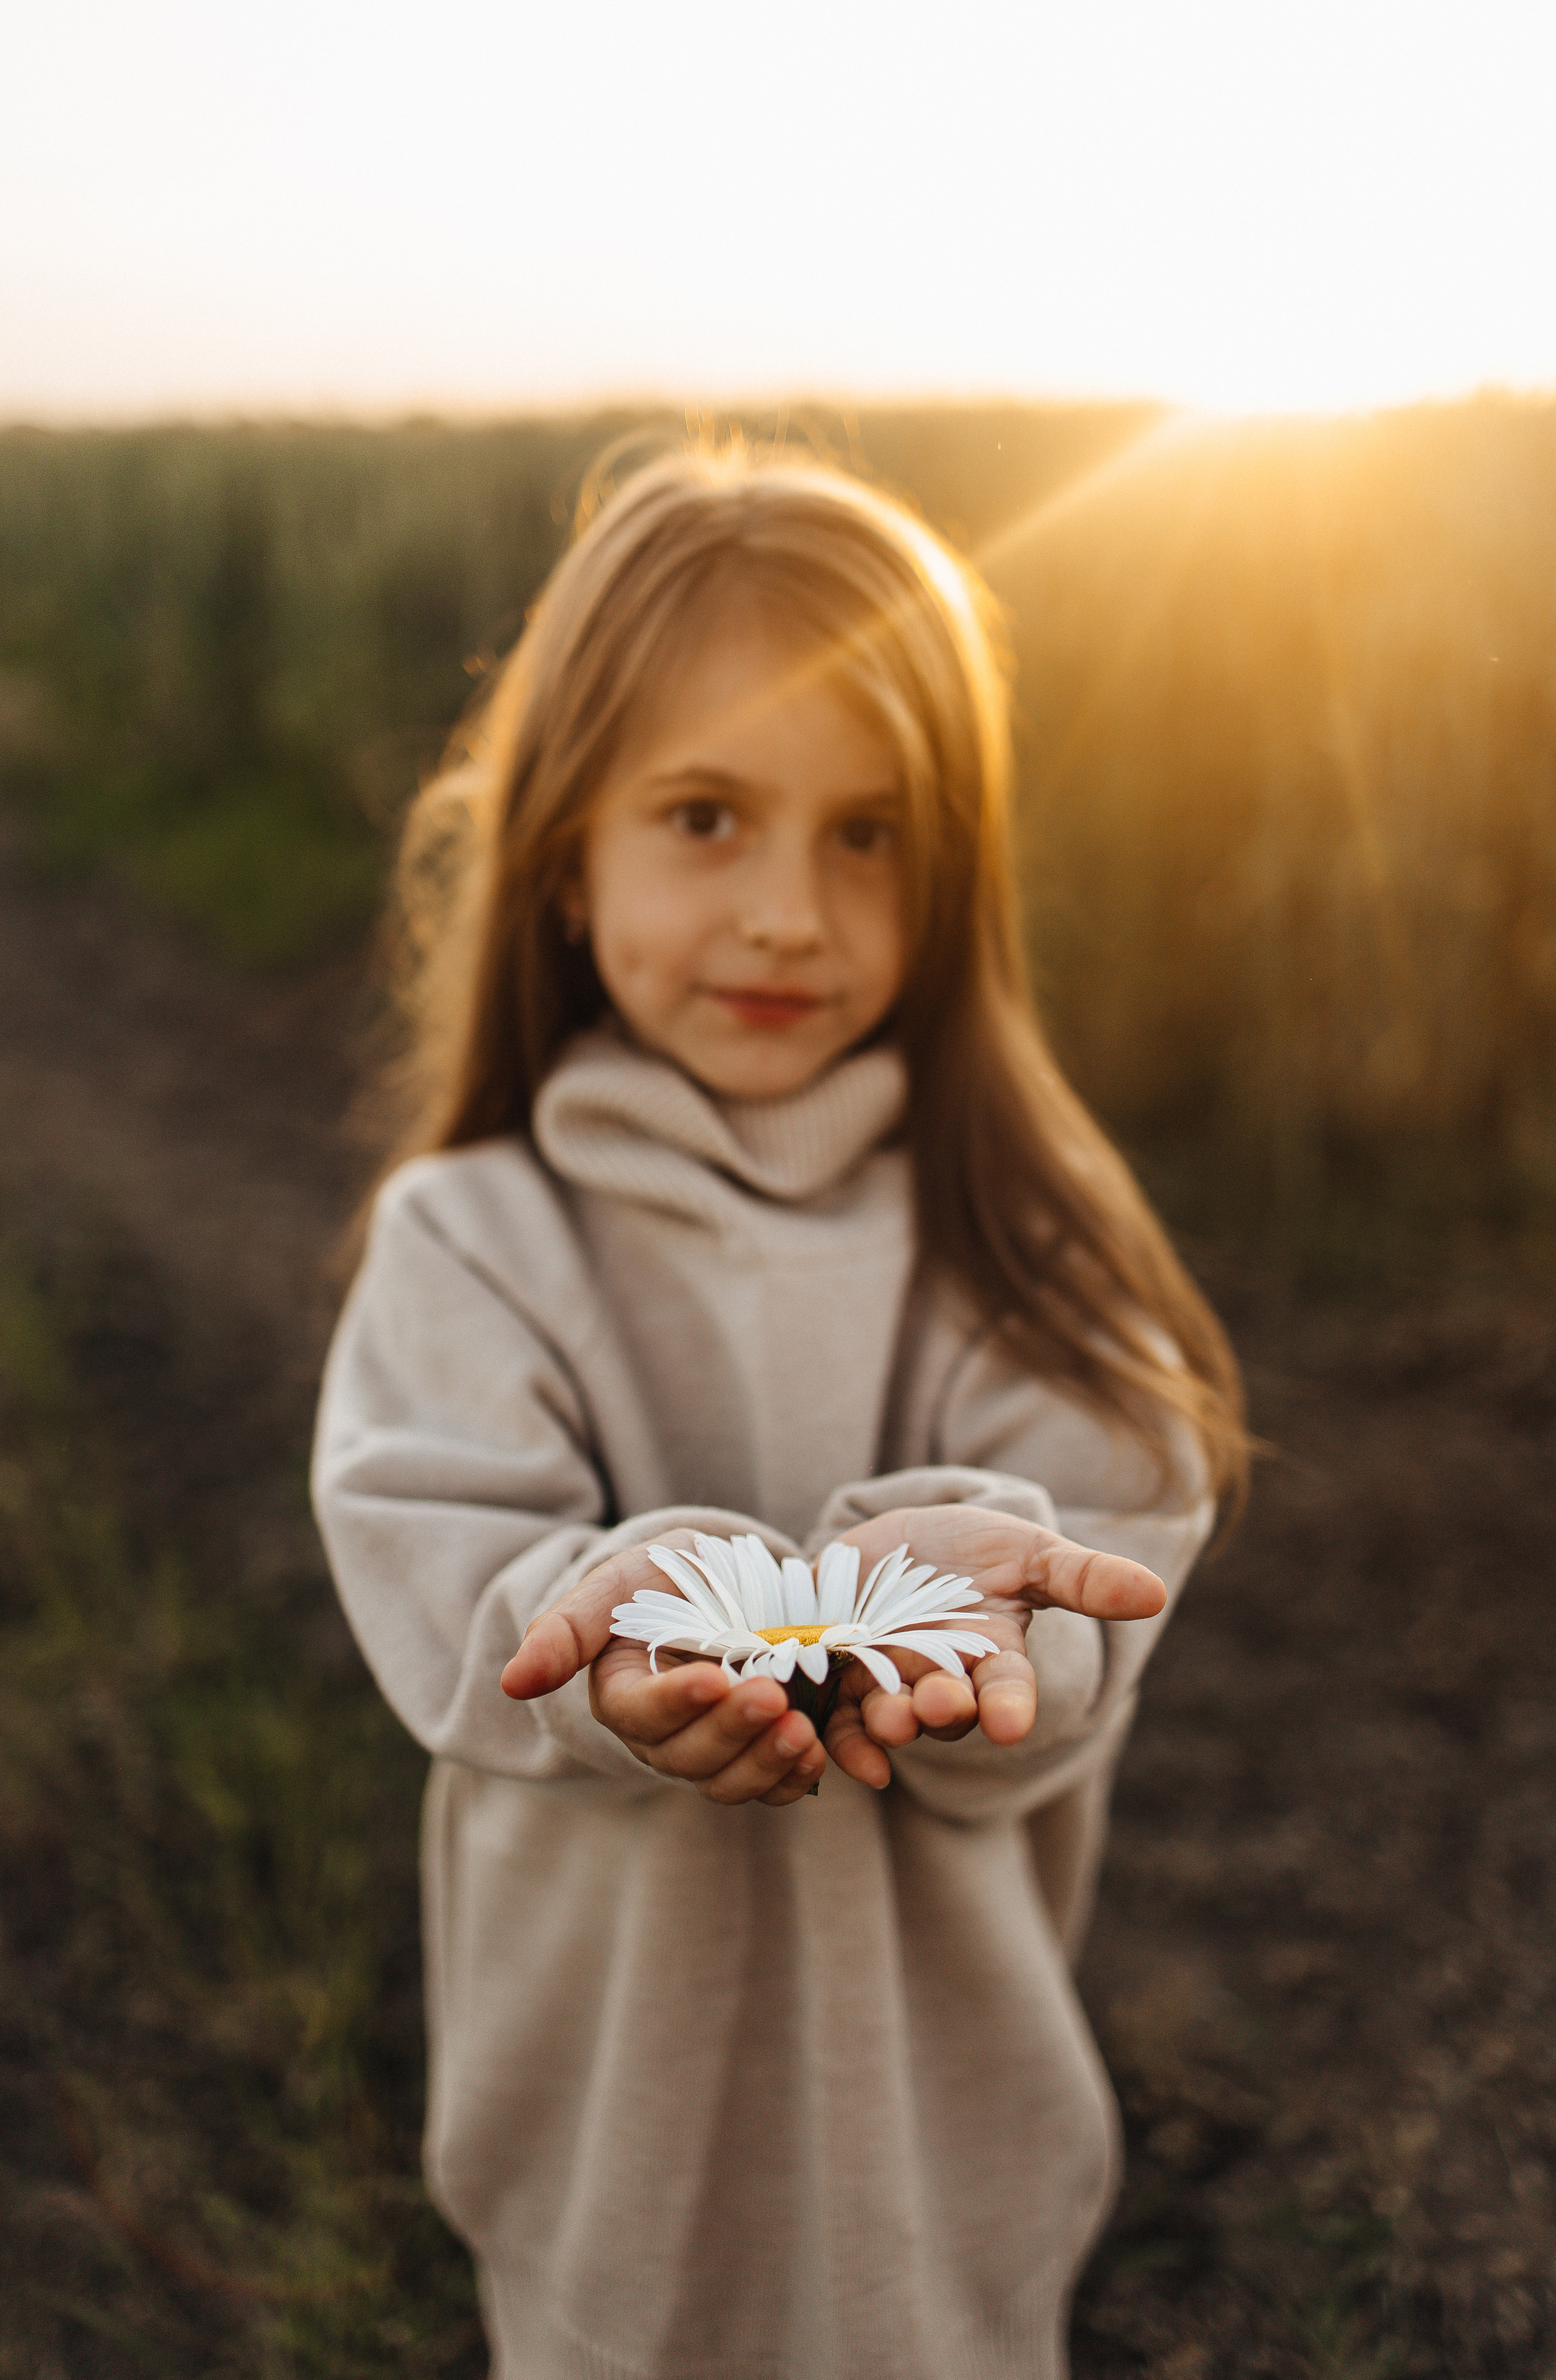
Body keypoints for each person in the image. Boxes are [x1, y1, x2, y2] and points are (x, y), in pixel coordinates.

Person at [311, 443, 1247, 2380]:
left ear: (957, 874)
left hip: (940, 2183)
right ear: (570, 855)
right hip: (607, 2170)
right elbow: (449, 1557)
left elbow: (1094, 1540)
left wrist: (969, 1612)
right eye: (709, 816)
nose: (789, 915)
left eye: (869, 836)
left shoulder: (1019, 1234)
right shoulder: (476, 1238)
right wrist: (641, 1622)